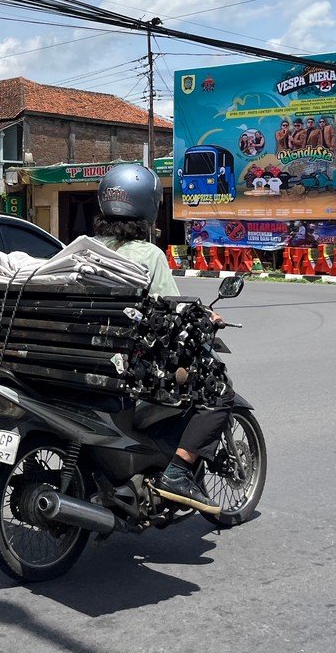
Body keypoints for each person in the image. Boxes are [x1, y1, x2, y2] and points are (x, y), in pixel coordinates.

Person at [94, 164, 233, 514]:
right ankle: (178, 470)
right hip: (129, 365)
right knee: (218, 391)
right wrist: (206, 318)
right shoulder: (148, 254)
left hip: (87, 356)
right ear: (148, 207)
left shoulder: (85, 249)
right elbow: (173, 309)